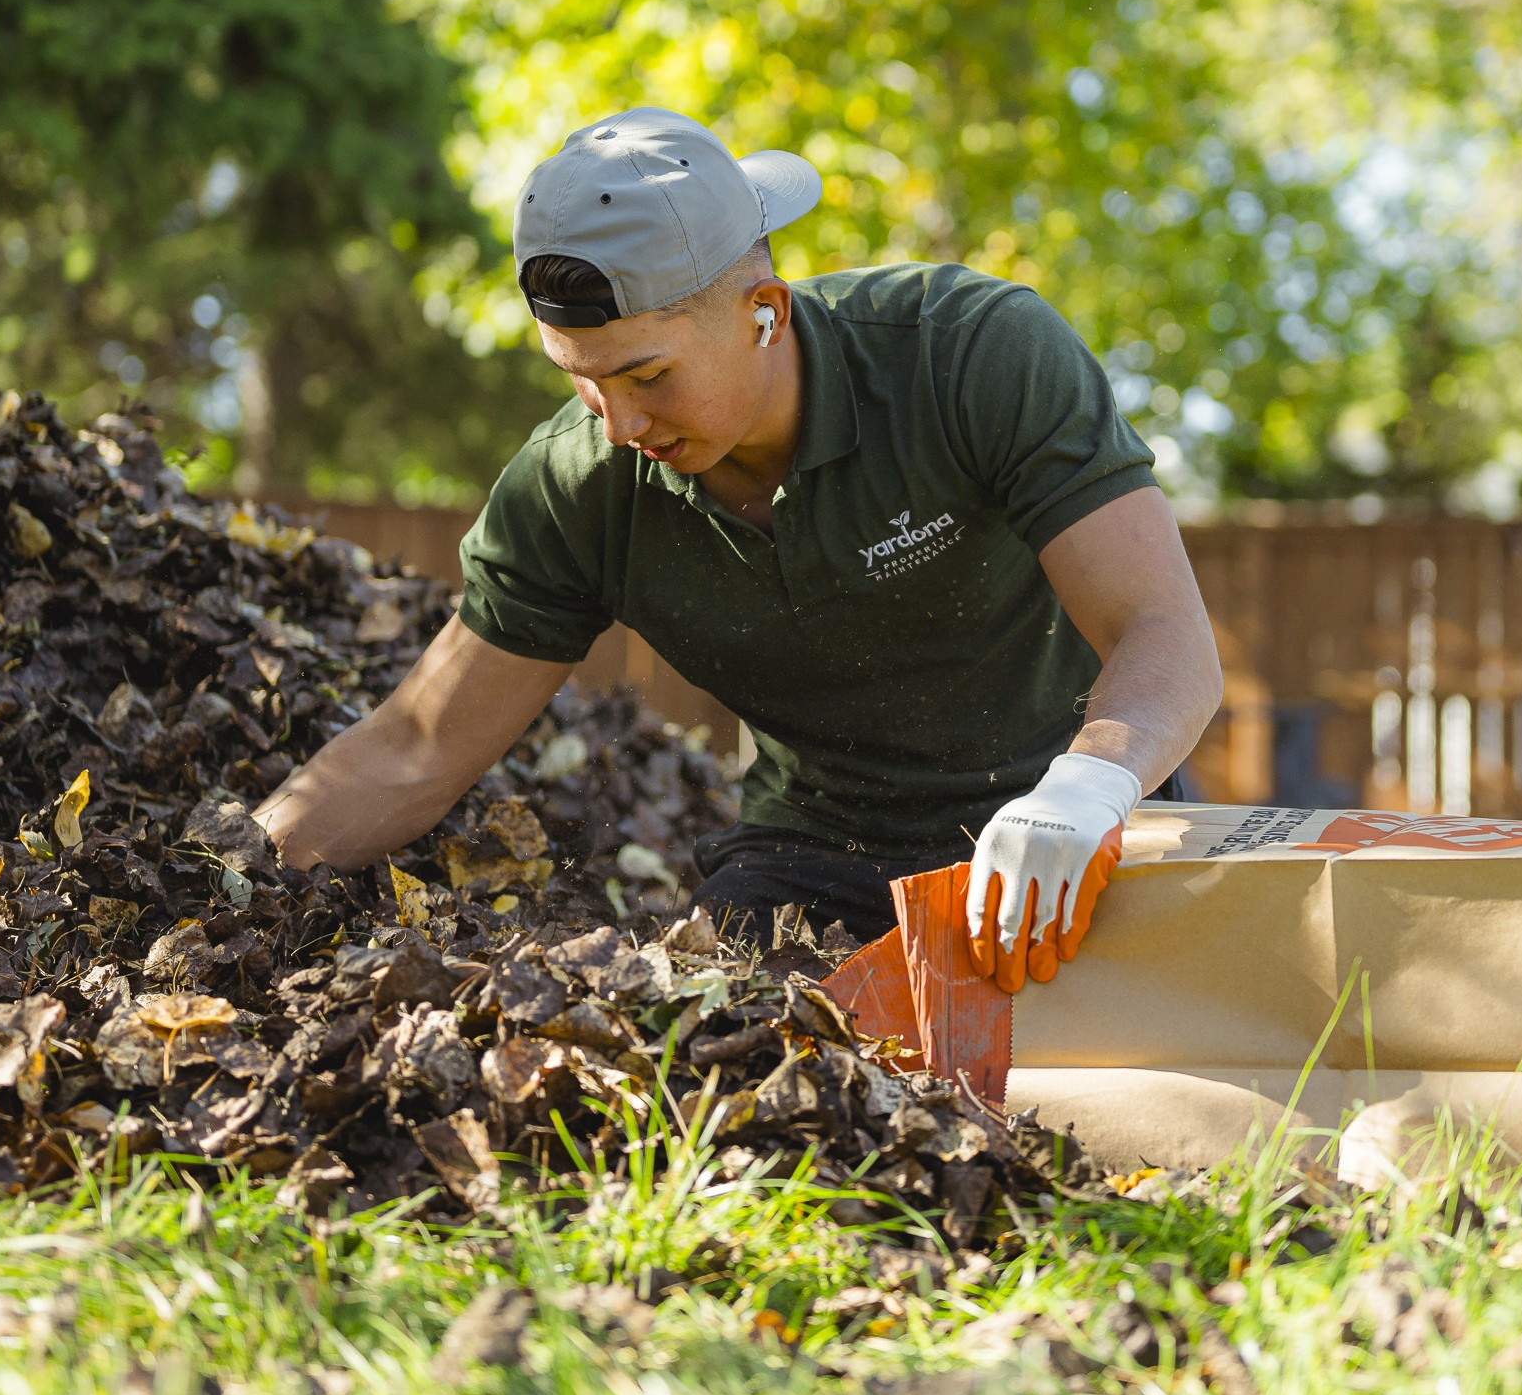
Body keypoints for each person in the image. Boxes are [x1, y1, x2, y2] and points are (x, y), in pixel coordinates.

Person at [255, 107, 1221, 983]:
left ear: (766, 311)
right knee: (724, 1054)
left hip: (1085, 825)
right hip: (823, 857)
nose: (619, 423)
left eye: (647, 376)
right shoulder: (576, 485)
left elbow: (1166, 633)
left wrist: (1086, 789)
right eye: (581, 380)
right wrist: (222, 877)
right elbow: (417, 746)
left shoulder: (969, 355)